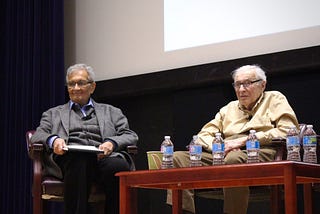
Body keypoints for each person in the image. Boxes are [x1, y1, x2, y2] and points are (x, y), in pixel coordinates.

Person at [167, 64, 299, 214]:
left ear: (263, 85)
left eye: (247, 83)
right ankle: (183, 211)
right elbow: (203, 135)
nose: (241, 89)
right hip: (226, 152)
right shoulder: (229, 108)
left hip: (262, 151)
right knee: (178, 158)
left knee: (234, 159)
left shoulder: (275, 98)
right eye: (237, 84)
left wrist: (244, 141)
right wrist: (221, 147)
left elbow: (287, 130)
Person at [31, 63, 138, 214]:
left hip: (104, 157)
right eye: (71, 84)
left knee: (117, 166)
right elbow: (37, 135)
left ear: (92, 87)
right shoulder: (53, 114)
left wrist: (112, 143)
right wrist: (53, 140)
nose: (75, 88)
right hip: (71, 160)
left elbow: (130, 135)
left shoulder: (111, 111)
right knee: (79, 159)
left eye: (80, 83)